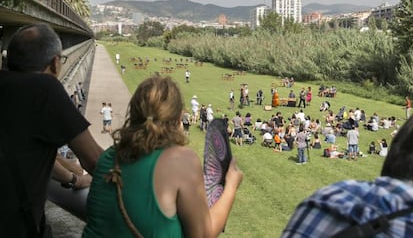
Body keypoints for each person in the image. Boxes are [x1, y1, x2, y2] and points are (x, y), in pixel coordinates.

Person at [82, 75, 243, 237]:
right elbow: (203, 235)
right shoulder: (181, 161)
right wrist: (231, 185)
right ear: (178, 118)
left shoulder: (107, 158)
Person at [0, 23, 103, 237]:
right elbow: (93, 160)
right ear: (55, 63)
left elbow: (27, 152)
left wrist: (73, 179)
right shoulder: (45, 88)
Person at [282, 115, 413, 237]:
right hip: (351, 143)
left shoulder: (328, 201)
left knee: (350, 150)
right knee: (354, 150)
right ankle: (353, 157)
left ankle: (351, 157)